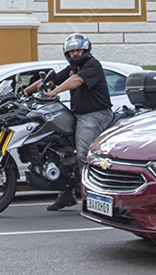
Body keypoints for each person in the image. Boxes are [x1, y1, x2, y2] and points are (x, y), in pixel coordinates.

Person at [24, 32, 113, 211]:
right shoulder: (73, 68)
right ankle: (66, 194)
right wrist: (26, 91)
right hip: (78, 114)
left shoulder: (92, 66)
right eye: (71, 52)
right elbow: (51, 80)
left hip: (94, 115)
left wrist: (53, 92)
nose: (75, 54)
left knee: (82, 154)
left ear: (86, 49)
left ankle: (94, 195)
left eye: (78, 50)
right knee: (62, 152)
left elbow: (76, 81)